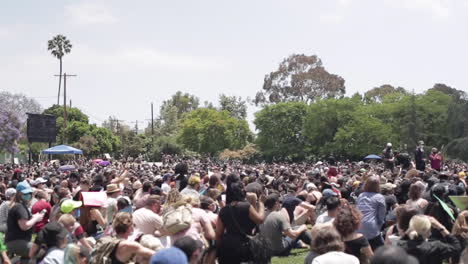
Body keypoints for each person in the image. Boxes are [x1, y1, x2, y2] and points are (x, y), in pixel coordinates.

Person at [215, 174, 265, 264]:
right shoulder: (246, 206)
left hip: (227, 247)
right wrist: (261, 204)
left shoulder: (224, 210)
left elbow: (218, 234)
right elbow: (260, 219)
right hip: (244, 246)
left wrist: (219, 249)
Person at [5, 181, 45, 259]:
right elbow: (24, 226)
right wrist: (36, 218)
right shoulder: (20, 207)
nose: (29, 195)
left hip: (16, 241)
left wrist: (33, 217)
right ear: (19, 194)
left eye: (30, 193)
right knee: (41, 252)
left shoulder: (20, 206)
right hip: (17, 242)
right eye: (25, 193)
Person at [357, 176, 386, 251]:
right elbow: (381, 216)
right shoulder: (380, 197)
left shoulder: (361, 195)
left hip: (358, 226)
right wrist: (378, 227)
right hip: (371, 227)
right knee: (382, 250)